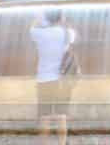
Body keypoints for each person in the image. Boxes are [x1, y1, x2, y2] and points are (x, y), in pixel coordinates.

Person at [30, 10, 77, 143]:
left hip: (43, 80)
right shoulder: (68, 34)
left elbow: (32, 27)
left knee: (44, 116)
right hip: (62, 80)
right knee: (61, 116)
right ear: (59, 18)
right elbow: (70, 33)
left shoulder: (38, 33)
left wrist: (39, 18)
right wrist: (63, 20)